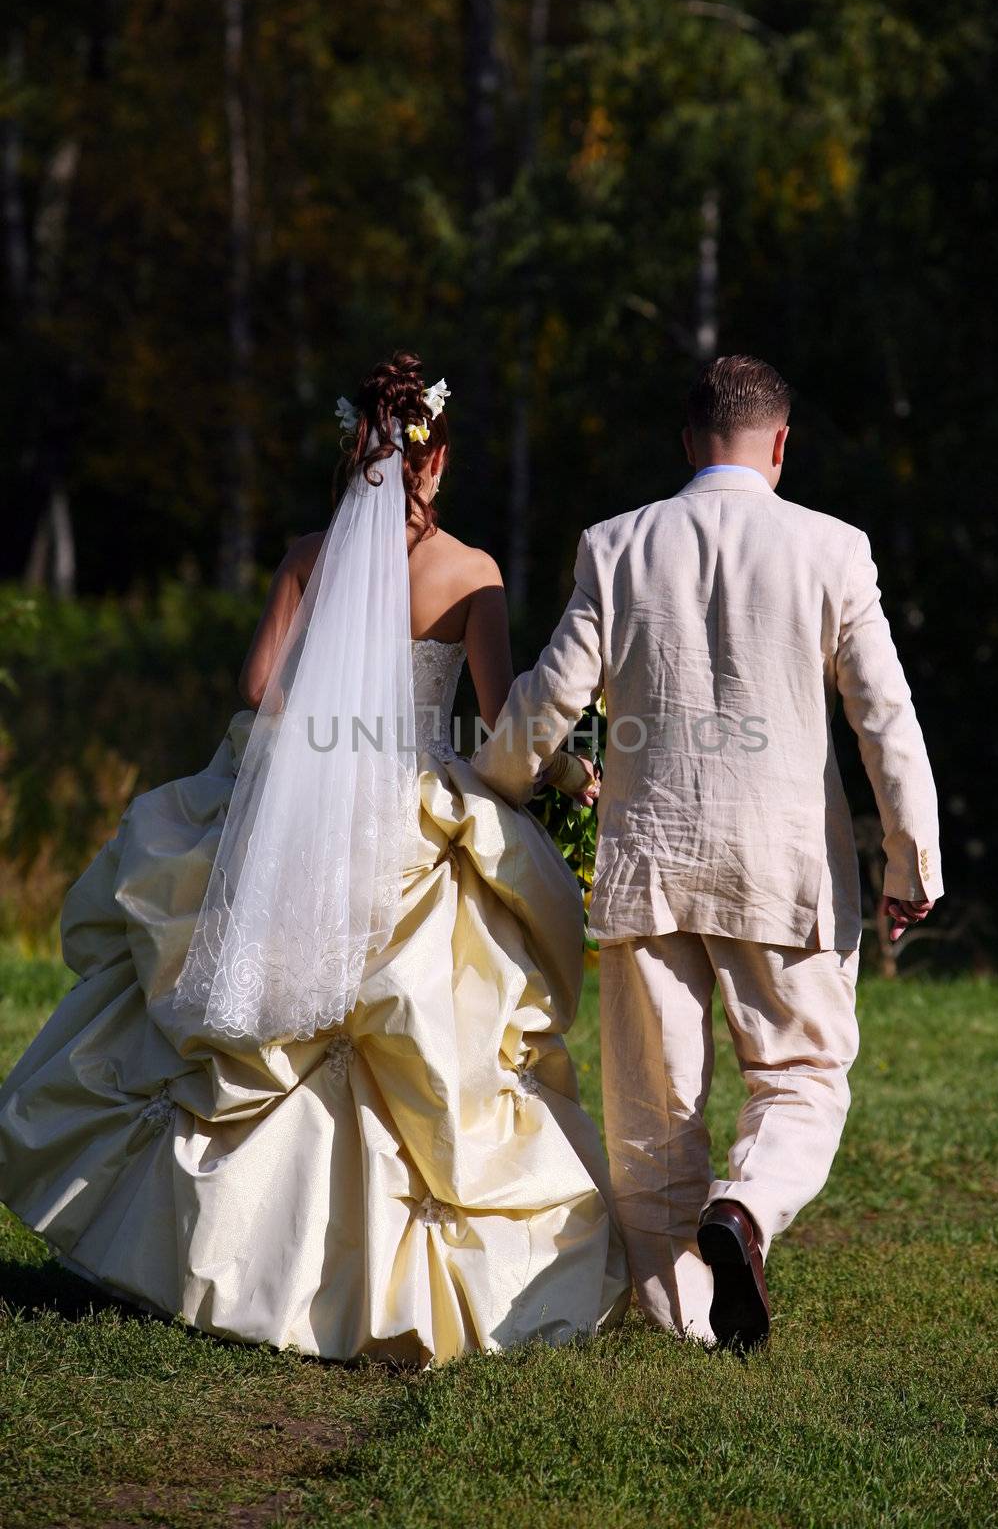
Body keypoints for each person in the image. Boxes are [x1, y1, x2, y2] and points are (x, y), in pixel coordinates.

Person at [0, 352, 629, 1366]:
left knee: (255, 1009)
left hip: (297, 794)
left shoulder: (307, 552)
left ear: (358, 450)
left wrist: (319, 752)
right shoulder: (472, 574)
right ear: (440, 457)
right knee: (414, 1023)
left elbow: (259, 687)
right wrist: (563, 774)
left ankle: (204, 1257)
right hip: (411, 807)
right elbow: (504, 713)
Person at [473, 353, 942, 1352]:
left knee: (653, 1118)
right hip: (783, 868)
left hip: (652, 864)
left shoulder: (616, 545)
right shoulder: (830, 547)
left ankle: (689, 1325)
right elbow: (882, 717)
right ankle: (749, 1205)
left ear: (687, 443)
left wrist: (499, 780)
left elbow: (552, 697)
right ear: (778, 445)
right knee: (804, 1075)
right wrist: (911, 861)